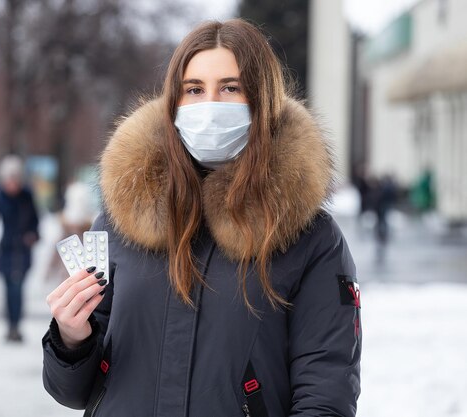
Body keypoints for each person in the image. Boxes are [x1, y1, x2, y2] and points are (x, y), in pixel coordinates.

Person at [42, 19, 361, 416]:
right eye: (194, 90)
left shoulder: (309, 239)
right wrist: (72, 339)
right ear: (173, 102)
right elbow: (75, 392)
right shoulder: (121, 221)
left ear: (263, 101)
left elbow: (325, 394)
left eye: (231, 88)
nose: (210, 105)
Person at [0, 155, 39, 342]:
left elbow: (35, 221)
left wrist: (33, 235)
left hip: (22, 249)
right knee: (8, 289)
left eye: (15, 179)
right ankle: (10, 325)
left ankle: (16, 325)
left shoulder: (27, 196)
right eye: (9, 180)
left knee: (18, 289)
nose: (12, 184)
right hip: (6, 249)